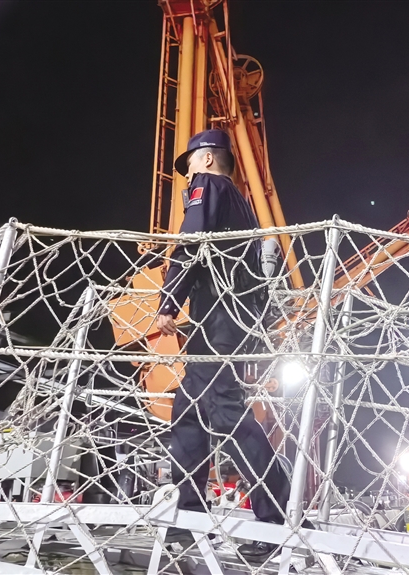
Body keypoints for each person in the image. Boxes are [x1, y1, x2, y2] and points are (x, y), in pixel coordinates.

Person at [156, 129, 290, 559]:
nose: (187, 174)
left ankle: (275, 520)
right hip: (228, 318)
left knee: (224, 409)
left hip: (217, 318)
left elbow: (191, 243)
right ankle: (191, 517)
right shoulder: (241, 204)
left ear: (209, 160)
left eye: (191, 163)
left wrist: (168, 301)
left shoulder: (207, 187)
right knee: (189, 412)